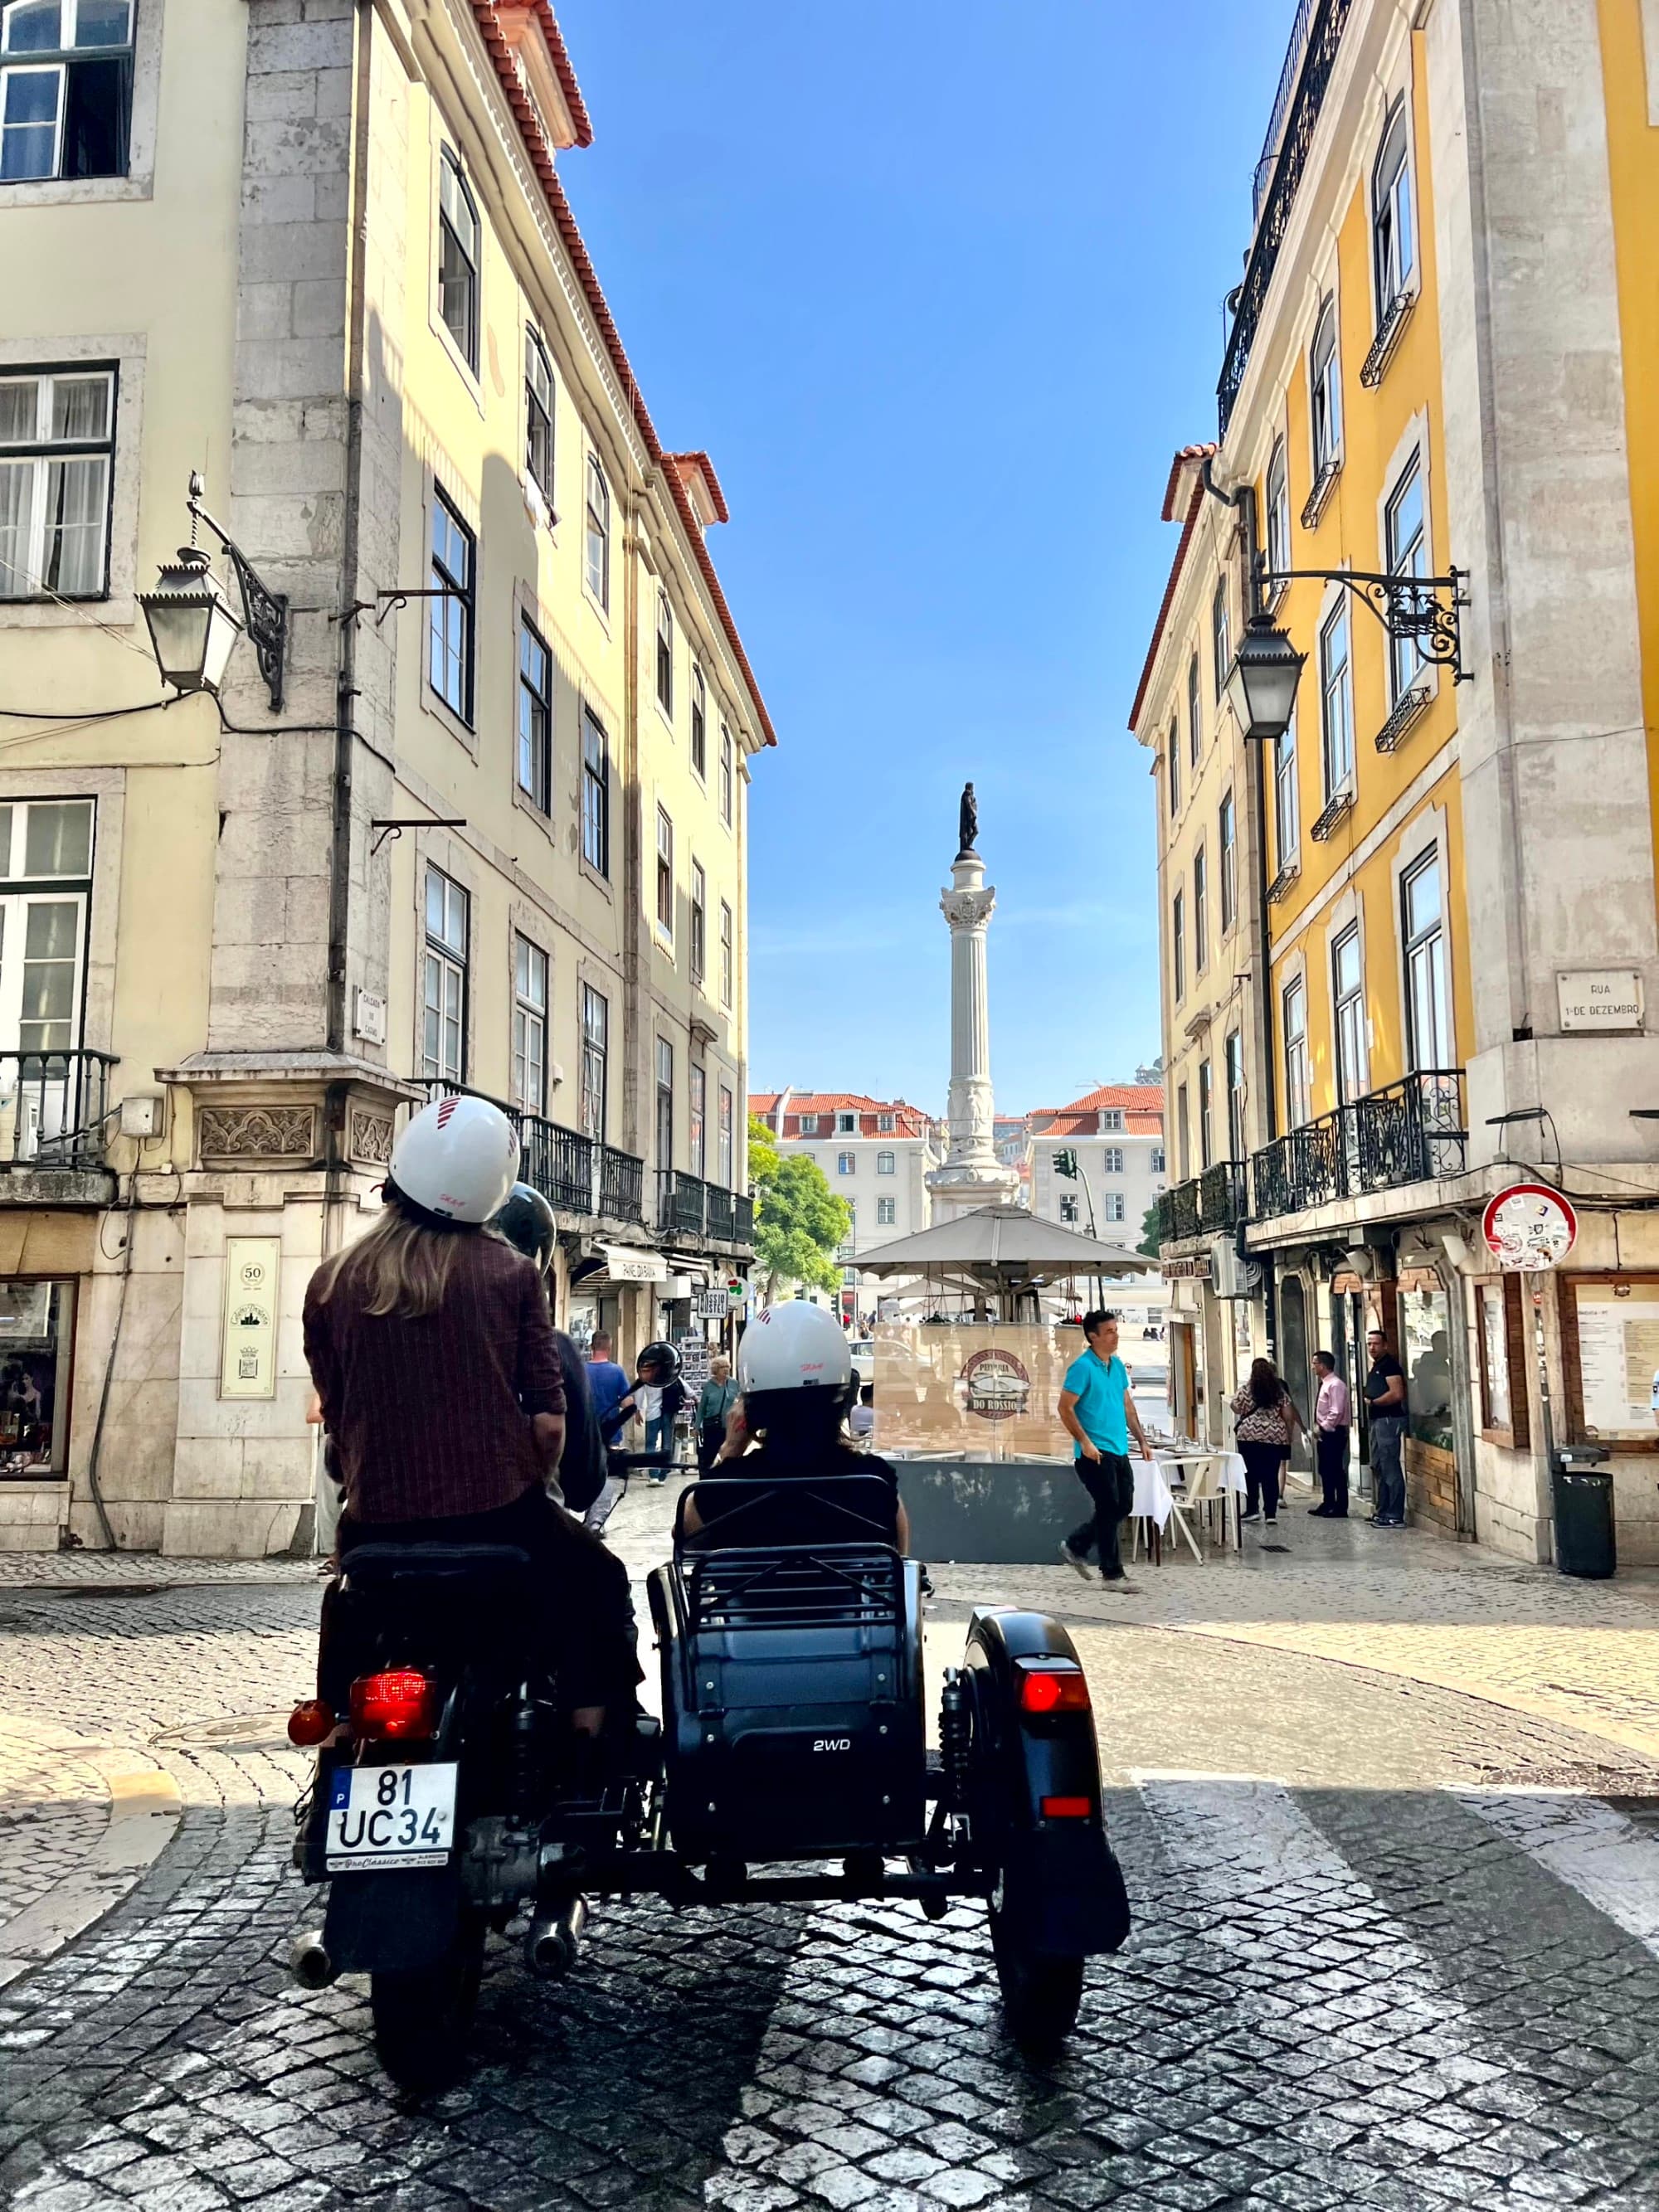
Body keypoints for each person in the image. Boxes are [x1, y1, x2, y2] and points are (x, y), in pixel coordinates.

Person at [303, 1094, 637, 1733]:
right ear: (492, 1189)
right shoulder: (508, 1274)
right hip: (500, 1517)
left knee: (347, 1602)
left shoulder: (332, 1279)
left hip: (376, 1524)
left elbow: (338, 1416)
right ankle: (591, 1747)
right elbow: (549, 1422)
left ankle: (341, 1734)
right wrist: (531, 1472)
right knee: (599, 1581)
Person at [684, 1301, 909, 1551]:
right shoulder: (874, 1481)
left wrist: (729, 1448)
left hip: (755, 1592)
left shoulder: (725, 1488)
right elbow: (901, 1564)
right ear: (842, 1398)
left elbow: (687, 1542)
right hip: (837, 1592)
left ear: (751, 1410)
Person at [1058, 1310, 1155, 1587]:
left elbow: (1127, 1406)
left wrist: (1142, 1441)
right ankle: (1112, 1574)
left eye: (1115, 1330)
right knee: (1109, 1506)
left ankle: (1077, 1544)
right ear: (1093, 1336)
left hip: (1119, 1449)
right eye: (1109, 1331)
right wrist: (1085, 1442)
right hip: (1094, 1452)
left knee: (1123, 1505)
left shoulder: (1117, 1365)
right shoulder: (1082, 1367)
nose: (1115, 1336)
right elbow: (1064, 1408)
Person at [1230, 1357, 1304, 1527]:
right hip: (1274, 1437)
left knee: (1250, 1474)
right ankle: (1270, 1514)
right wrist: (1289, 1434)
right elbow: (1288, 1415)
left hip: (1248, 1437)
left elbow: (1235, 1407)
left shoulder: (1246, 1389)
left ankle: (1252, 1510)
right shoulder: (1279, 1392)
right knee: (1270, 1475)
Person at [611, 1341, 688, 1481]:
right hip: (665, 1413)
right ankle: (662, 1475)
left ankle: (654, 1475)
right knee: (665, 1444)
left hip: (653, 1413)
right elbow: (688, 1390)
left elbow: (639, 1394)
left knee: (651, 1444)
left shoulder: (648, 1375)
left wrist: (638, 1411)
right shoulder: (670, 1374)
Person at [1365, 1327, 1408, 1527]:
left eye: (1376, 1343)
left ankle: (1395, 1514)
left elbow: (1397, 1393)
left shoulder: (1390, 1366)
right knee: (1379, 1465)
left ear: (1385, 1345)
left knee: (1390, 1466)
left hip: (1388, 1420)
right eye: (1369, 1344)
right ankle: (1382, 1510)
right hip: (1377, 1421)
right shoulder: (1377, 1365)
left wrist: (1375, 1402)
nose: (1372, 1347)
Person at [1310, 1350, 1351, 1519]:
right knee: (1325, 1469)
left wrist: (1324, 1426)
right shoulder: (1325, 1384)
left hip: (1334, 1432)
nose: (1313, 1367)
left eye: (1315, 1363)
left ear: (1323, 1365)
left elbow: (1336, 1410)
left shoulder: (1335, 1385)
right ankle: (1328, 1502)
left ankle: (1340, 1506)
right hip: (1325, 1432)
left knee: (1335, 1469)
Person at [696, 1355, 740, 1475]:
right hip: (711, 1424)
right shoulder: (709, 1386)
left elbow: (740, 1402)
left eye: (727, 1367)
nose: (726, 1370)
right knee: (710, 1454)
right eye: (722, 1367)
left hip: (728, 1425)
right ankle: (707, 1479)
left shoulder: (734, 1384)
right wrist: (696, 1426)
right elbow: (702, 1407)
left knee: (727, 1453)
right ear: (716, 1369)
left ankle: (725, 1478)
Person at [849, 1381, 876, 1446]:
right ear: (873, 1398)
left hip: (857, 1442)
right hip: (868, 1442)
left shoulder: (854, 1409)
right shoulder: (876, 1413)